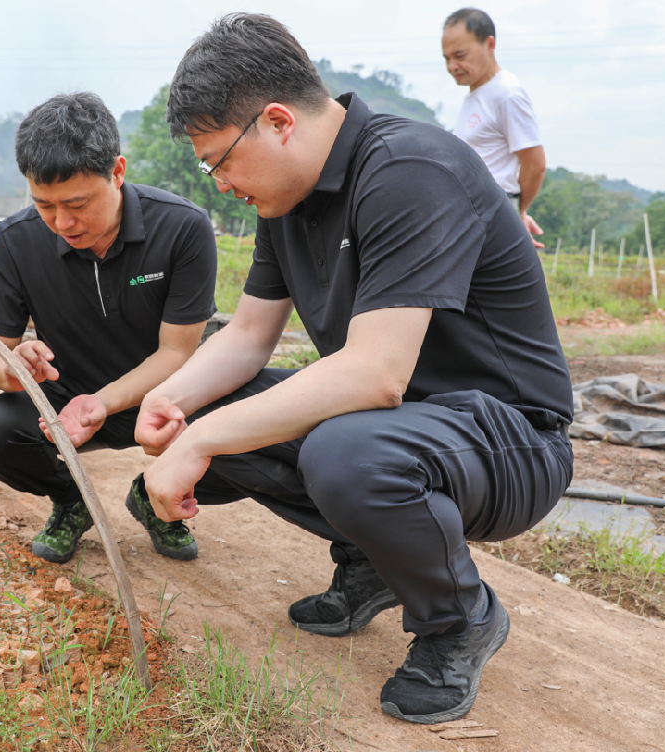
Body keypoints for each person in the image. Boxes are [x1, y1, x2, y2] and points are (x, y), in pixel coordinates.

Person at [136, 13, 573, 725]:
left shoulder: (408, 170)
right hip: (403, 429)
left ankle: (460, 617)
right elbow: (247, 335)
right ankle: (376, 562)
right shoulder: (287, 199)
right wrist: (172, 401)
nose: (219, 184)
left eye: (219, 162)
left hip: (511, 440)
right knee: (215, 407)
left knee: (342, 451)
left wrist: (201, 441)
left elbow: (376, 374)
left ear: (278, 122)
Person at [0, 92, 218, 565]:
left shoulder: (182, 228)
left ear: (117, 172)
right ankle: (70, 501)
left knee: (243, 423)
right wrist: (13, 367)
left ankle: (155, 495)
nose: (62, 222)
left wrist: (104, 402)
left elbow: (177, 352)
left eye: (77, 203)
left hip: (161, 394)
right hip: (64, 399)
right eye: (44, 205)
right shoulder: (17, 240)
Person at [442, 7, 547, 248]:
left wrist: (518, 212)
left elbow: (535, 164)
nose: (452, 66)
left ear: (489, 44)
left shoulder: (506, 94)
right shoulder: (477, 93)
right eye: (446, 58)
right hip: (473, 213)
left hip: (491, 213)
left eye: (459, 55)